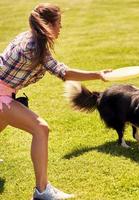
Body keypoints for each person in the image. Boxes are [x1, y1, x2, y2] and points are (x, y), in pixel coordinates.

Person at [0, 3, 111, 200]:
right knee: (41, 128)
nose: (61, 27)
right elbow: (63, 72)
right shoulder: (33, 47)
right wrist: (98, 74)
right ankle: (42, 191)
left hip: (5, 93)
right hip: (2, 96)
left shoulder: (29, 38)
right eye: (59, 23)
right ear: (49, 25)